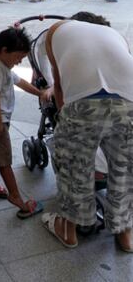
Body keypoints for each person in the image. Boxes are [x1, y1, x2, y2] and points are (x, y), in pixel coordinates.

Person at [42, 14, 133, 252]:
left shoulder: (54, 30)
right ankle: (125, 234)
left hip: (83, 104)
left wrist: (64, 121)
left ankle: (69, 231)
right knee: (124, 170)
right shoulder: (114, 34)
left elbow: (59, 85)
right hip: (129, 102)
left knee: (75, 168)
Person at [0, 27, 49, 217]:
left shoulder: (4, 66)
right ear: (4, 50)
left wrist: (40, 93)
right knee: (4, 160)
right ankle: (16, 197)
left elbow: (21, 82)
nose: (19, 61)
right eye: (18, 57)